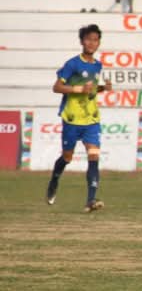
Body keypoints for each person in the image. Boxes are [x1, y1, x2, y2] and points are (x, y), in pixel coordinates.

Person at [46, 23, 114, 212]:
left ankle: (90, 200)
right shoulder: (73, 64)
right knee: (67, 158)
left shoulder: (98, 65)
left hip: (91, 119)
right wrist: (77, 89)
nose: (92, 43)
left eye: (95, 40)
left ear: (99, 42)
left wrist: (102, 88)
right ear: (82, 41)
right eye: (88, 39)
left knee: (94, 157)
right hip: (72, 119)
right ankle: (54, 180)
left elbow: (90, 90)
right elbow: (57, 87)